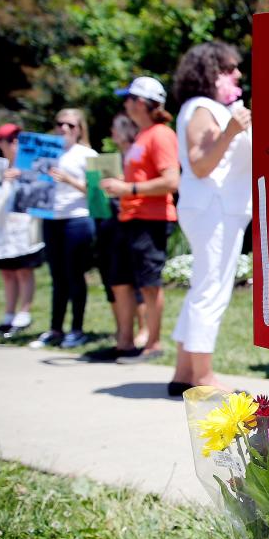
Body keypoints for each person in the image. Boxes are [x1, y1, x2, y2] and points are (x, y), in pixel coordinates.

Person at [167, 42, 253, 396]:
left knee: (205, 285)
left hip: (215, 208)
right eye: (229, 68)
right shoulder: (203, 108)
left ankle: (184, 373)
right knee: (211, 289)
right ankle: (204, 377)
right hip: (214, 207)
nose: (237, 74)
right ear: (210, 72)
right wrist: (232, 130)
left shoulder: (209, 109)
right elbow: (202, 164)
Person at [99, 77, 180, 364]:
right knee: (120, 281)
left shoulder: (160, 134)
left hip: (151, 219)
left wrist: (129, 189)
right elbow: (144, 177)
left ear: (142, 103)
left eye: (129, 99)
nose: (125, 104)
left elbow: (171, 180)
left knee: (148, 284)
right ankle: (124, 342)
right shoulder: (142, 136)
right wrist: (120, 183)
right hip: (129, 217)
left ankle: (153, 344)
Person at [29, 108, 97, 349]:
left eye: (70, 125)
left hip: (77, 219)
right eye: (60, 124)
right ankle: (55, 328)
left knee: (75, 275)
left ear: (80, 129)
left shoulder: (87, 154)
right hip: (51, 219)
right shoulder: (46, 152)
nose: (64, 129)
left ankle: (76, 329)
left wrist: (69, 180)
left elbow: (96, 193)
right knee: (57, 277)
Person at [87, 113, 148, 359]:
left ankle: (144, 332)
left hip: (135, 221)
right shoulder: (117, 158)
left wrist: (123, 184)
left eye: (114, 128)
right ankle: (123, 335)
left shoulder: (139, 152)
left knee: (136, 280)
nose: (112, 133)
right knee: (117, 280)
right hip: (111, 221)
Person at [0, 124, 44, 337]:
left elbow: (42, 190)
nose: (15, 145)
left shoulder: (31, 165)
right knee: (7, 272)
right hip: (1, 227)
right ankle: (8, 313)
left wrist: (22, 176)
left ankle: (24, 312)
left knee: (24, 270)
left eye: (18, 140)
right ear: (0, 144)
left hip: (24, 225)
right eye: (10, 140)